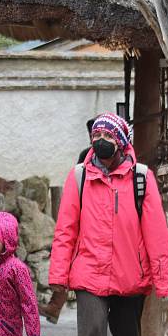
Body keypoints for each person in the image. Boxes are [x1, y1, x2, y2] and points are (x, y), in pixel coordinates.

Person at [49, 112, 168, 336]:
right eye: (95, 140)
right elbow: (66, 229)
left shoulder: (141, 178)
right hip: (89, 272)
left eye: (106, 139)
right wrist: (59, 276)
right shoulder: (79, 177)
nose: (100, 145)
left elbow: (156, 232)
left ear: (120, 142)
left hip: (130, 273)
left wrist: (163, 279)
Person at [39, 117, 97, 324]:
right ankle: (55, 306)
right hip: (83, 218)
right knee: (67, 261)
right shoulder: (86, 157)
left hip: (93, 223)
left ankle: (55, 306)